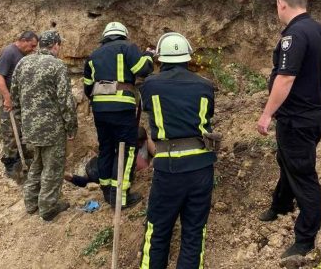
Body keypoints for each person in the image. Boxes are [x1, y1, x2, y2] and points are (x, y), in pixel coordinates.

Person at [256, 0, 321, 258]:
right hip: (313, 115)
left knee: (303, 172)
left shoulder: (294, 35)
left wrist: (267, 114)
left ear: (281, 4)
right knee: (287, 160)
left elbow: (285, 77)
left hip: (297, 119)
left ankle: (306, 237)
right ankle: (281, 204)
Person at [139, 32, 216, 269]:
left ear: (161, 58)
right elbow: (208, 115)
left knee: (158, 229)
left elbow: (145, 100)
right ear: (187, 57)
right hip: (202, 166)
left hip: (169, 167)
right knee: (194, 232)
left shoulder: (150, 84)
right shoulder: (205, 85)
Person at [83, 22, 154, 208]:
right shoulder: (128, 47)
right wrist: (148, 55)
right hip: (122, 108)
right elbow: (143, 70)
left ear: (105, 36)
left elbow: (87, 87)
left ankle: (107, 191)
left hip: (99, 109)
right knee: (128, 149)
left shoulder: (93, 55)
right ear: (123, 34)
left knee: (106, 148)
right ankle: (120, 197)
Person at [11, 30, 78, 221]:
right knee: (53, 167)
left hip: (30, 127)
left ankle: (31, 202)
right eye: (59, 45)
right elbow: (66, 101)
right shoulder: (57, 66)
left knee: (37, 164)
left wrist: (23, 121)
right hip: (52, 128)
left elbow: (14, 96)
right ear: (55, 45)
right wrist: (71, 127)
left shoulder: (23, 63)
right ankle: (48, 207)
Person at [0, 31, 38, 178]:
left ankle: (22, 162)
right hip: (8, 101)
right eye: (31, 46)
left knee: (19, 131)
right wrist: (7, 98)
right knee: (10, 133)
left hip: (18, 101)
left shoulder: (21, 55)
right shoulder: (9, 52)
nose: (33, 49)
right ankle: (11, 167)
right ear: (23, 41)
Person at [64, 127, 156, 187]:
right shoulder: (127, 148)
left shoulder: (145, 142)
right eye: (138, 143)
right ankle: (72, 177)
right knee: (92, 179)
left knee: (91, 179)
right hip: (99, 169)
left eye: (141, 143)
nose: (139, 145)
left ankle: (71, 177)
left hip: (101, 168)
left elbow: (154, 151)